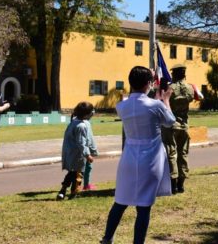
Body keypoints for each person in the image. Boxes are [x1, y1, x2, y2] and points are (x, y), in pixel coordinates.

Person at [100, 66, 175, 244]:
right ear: (149, 84)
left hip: (129, 156)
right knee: (144, 206)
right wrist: (165, 100)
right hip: (151, 158)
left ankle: (107, 238)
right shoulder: (155, 105)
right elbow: (170, 121)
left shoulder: (122, 106)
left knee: (120, 201)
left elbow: (141, 104)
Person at [161, 64, 194, 194]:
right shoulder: (190, 88)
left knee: (171, 154)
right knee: (183, 154)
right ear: (184, 74)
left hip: (172, 124)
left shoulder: (170, 88)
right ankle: (181, 184)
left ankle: (173, 184)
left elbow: (164, 101)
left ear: (174, 74)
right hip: (184, 125)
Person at [56, 102, 97, 200]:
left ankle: (63, 190)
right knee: (78, 174)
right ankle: (73, 193)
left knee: (71, 173)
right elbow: (81, 143)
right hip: (78, 155)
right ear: (86, 114)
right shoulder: (81, 126)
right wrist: (88, 155)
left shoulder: (74, 122)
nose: (93, 113)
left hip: (70, 152)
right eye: (91, 112)